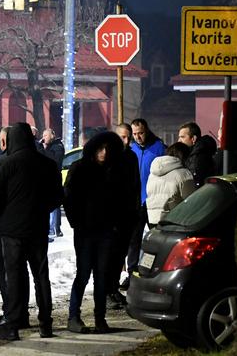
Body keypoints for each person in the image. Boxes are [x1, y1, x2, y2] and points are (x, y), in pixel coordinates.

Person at [0, 122, 62, 341]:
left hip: (11, 231)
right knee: (41, 276)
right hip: (37, 228)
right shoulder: (46, 164)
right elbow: (57, 196)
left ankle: (13, 325)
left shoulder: (5, 165)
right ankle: (45, 323)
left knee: (15, 277)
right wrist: (41, 210)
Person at [64, 131, 126, 334]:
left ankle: (100, 318)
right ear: (93, 149)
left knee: (101, 276)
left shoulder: (113, 170)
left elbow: (119, 199)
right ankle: (74, 317)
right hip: (85, 230)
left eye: (107, 149)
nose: (104, 152)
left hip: (106, 230)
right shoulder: (80, 168)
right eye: (101, 148)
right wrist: (77, 223)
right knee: (83, 274)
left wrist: (115, 223)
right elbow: (69, 197)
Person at [0, 127, 31, 331]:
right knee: (23, 272)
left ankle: (11, 314)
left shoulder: (2, 163)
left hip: (4, 228)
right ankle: (22, 313)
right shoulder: (31, 159)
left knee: (8, 271)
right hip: (24, 225)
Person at [123, 119, 166, 290]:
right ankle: (132, 274)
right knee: (134, 240)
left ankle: (156, 273)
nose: (138, 136)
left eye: (140, 132)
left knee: (157, 239)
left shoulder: (158, 148)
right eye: (134, 134)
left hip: (153, 201)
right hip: (135, 202)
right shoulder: (130, 149)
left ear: (146, 130)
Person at [105, 123, 140, 310]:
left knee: (120, 255)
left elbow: (135, 185)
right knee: (110, 256)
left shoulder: (131, 157)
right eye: (122, 137)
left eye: (128, 137)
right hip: (112, 216)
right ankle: (106, 291)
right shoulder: (109, 157)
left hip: (127, 214)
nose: (126, 141)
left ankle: (113, 288)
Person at [146, 142, 196, 227]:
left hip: (152, 220)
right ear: (185, 157)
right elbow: (191, 201)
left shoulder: (153, 173)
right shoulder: (184, 173)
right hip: (174, 221)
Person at [39, 128, 65, 240]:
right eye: (43, 135)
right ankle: (54, 228)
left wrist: (44, 150)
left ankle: (52, 228)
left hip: (53, 181)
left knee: (53, 206)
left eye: (46, 135)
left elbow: (55, 161)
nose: (43, 138)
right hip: (47, 180)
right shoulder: (49, 147)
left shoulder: (58, 146)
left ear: (52, 136)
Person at [178, 122, 217, 187]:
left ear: (193, 138)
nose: (179, 140)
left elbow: (195, 183)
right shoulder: (195, 153)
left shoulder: (199, 156)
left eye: (182, 137)